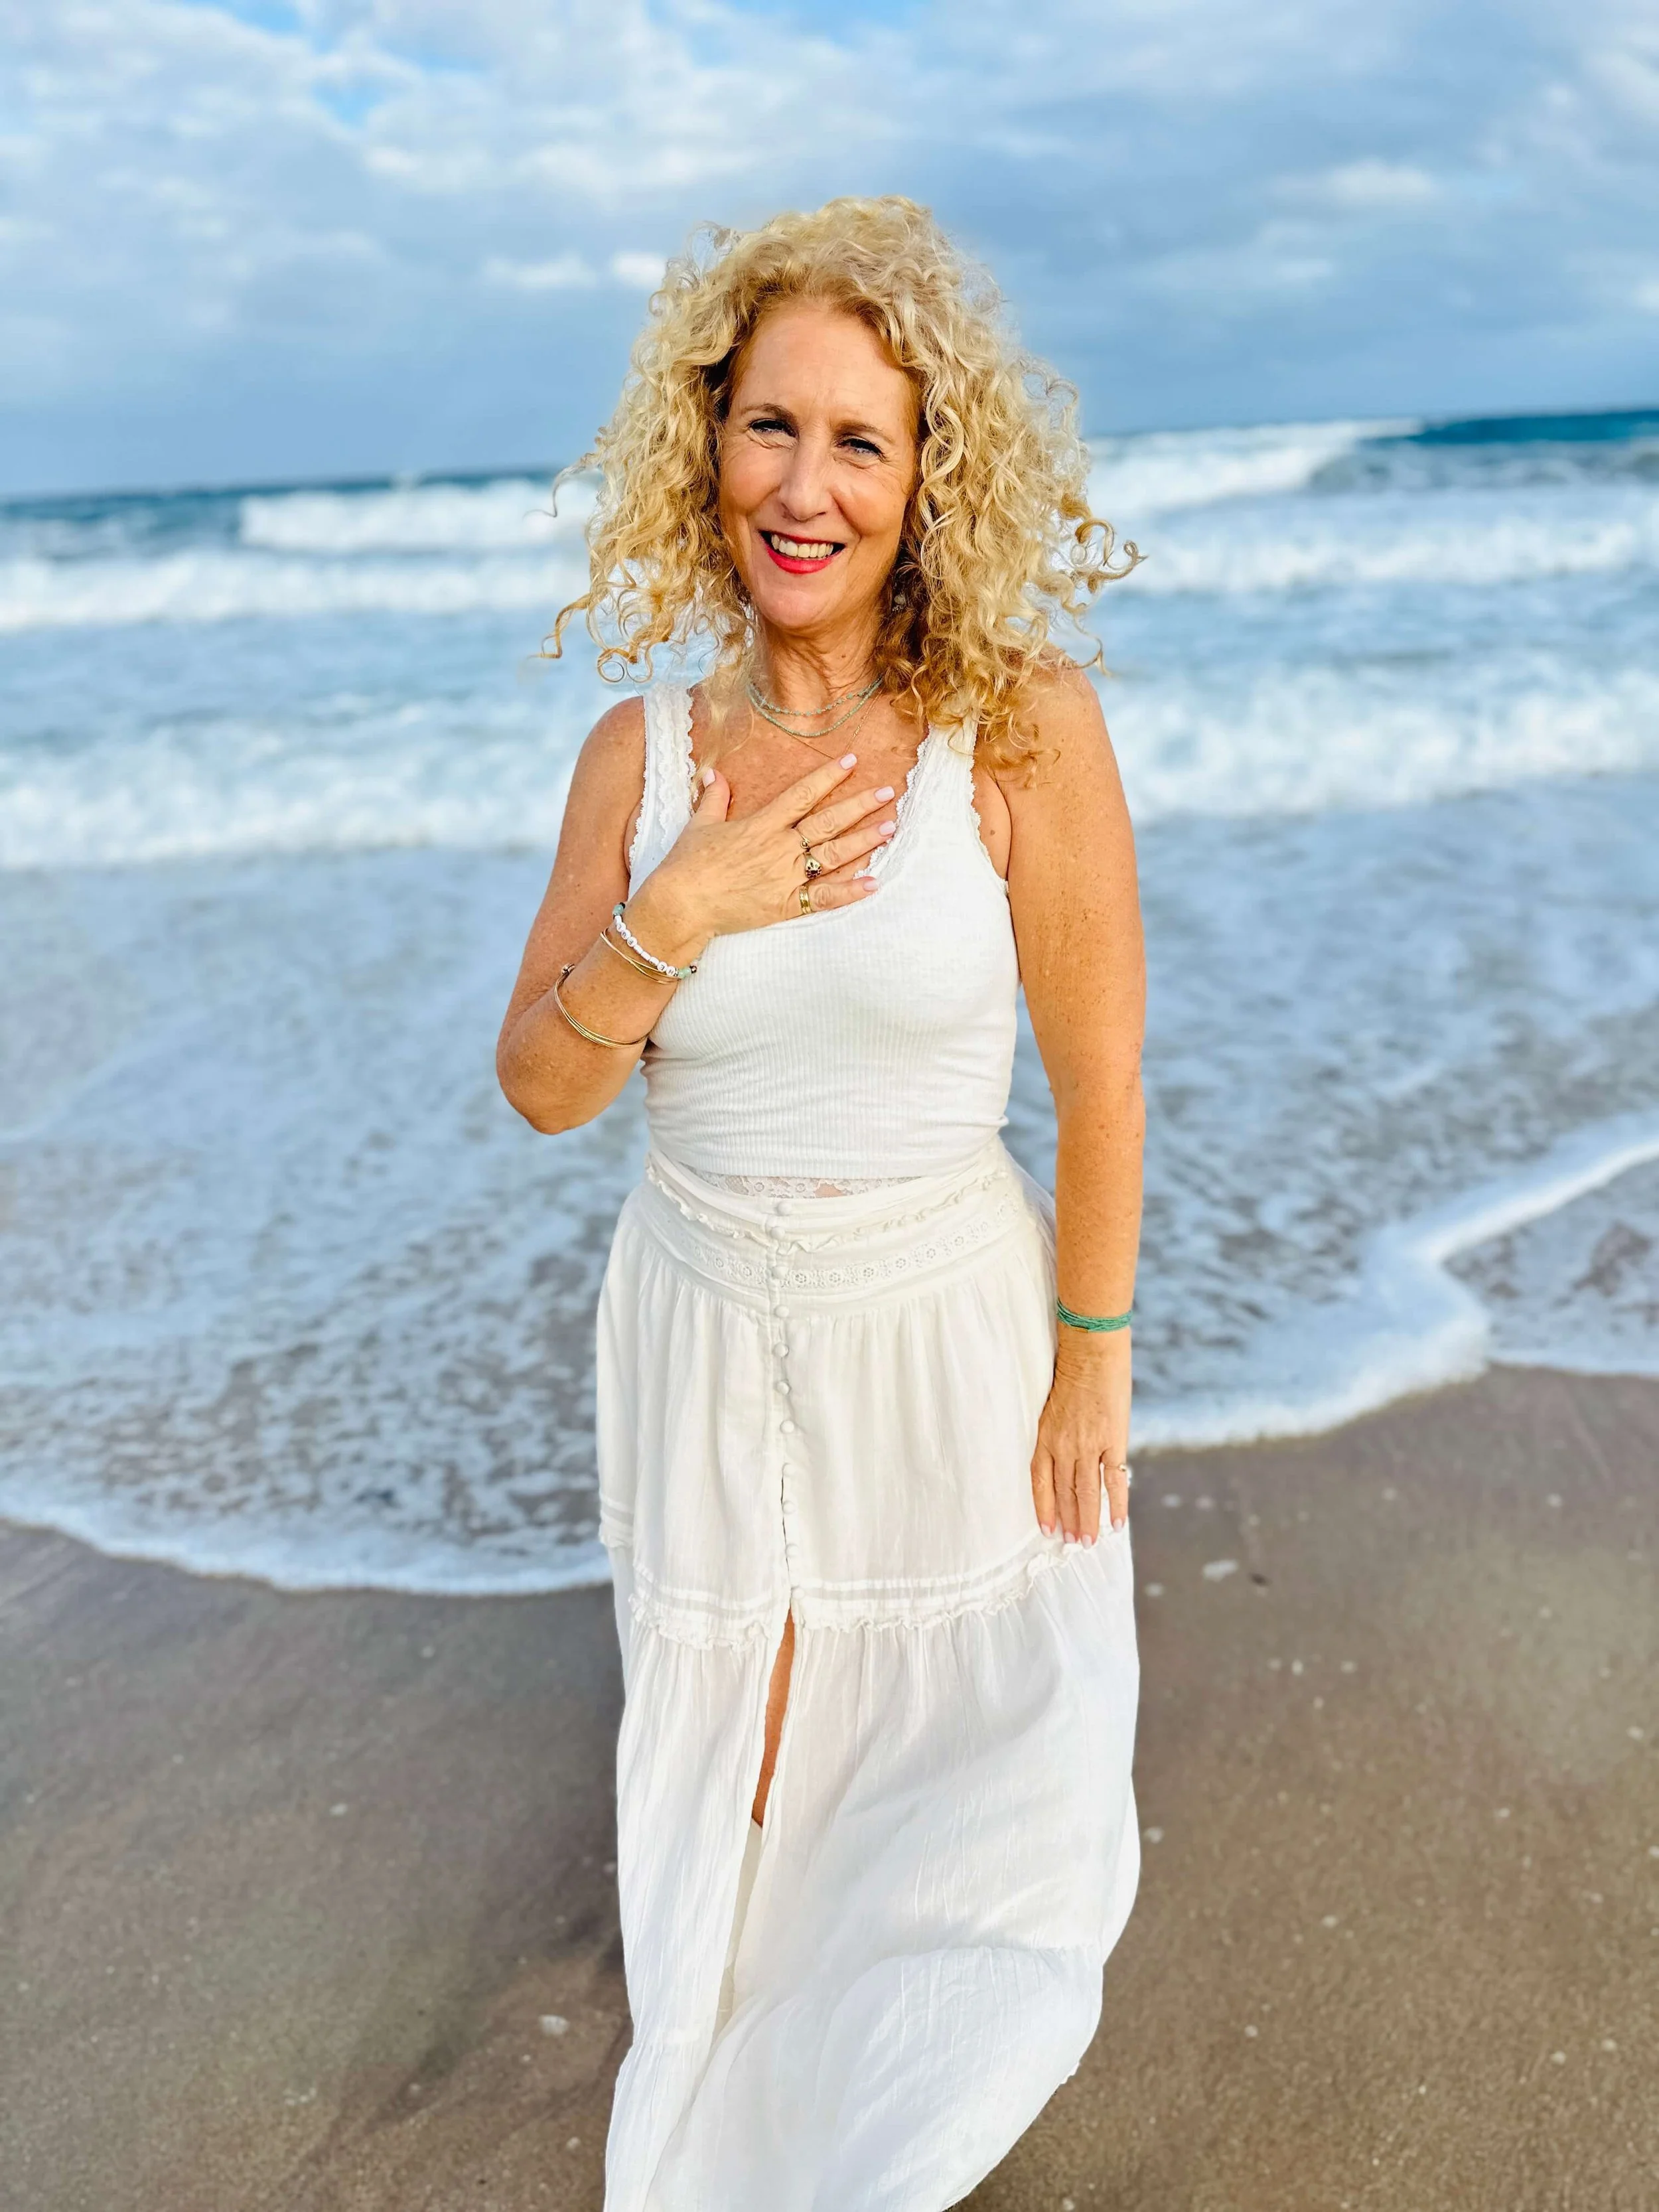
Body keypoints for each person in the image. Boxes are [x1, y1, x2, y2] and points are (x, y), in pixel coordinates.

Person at [498, 194, 1146, 2212]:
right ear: (707, 447)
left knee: (964, 1828)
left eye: (859, 440)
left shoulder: (1015, 727)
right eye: (771, 426)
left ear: (926, 477)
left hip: (939, 1321)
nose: (807, 485)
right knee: (751, 1806)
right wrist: (673, 911)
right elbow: (540, 1086)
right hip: (703, 1323)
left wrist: (1088, 1357)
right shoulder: (641, 755)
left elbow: (1100, 1064)